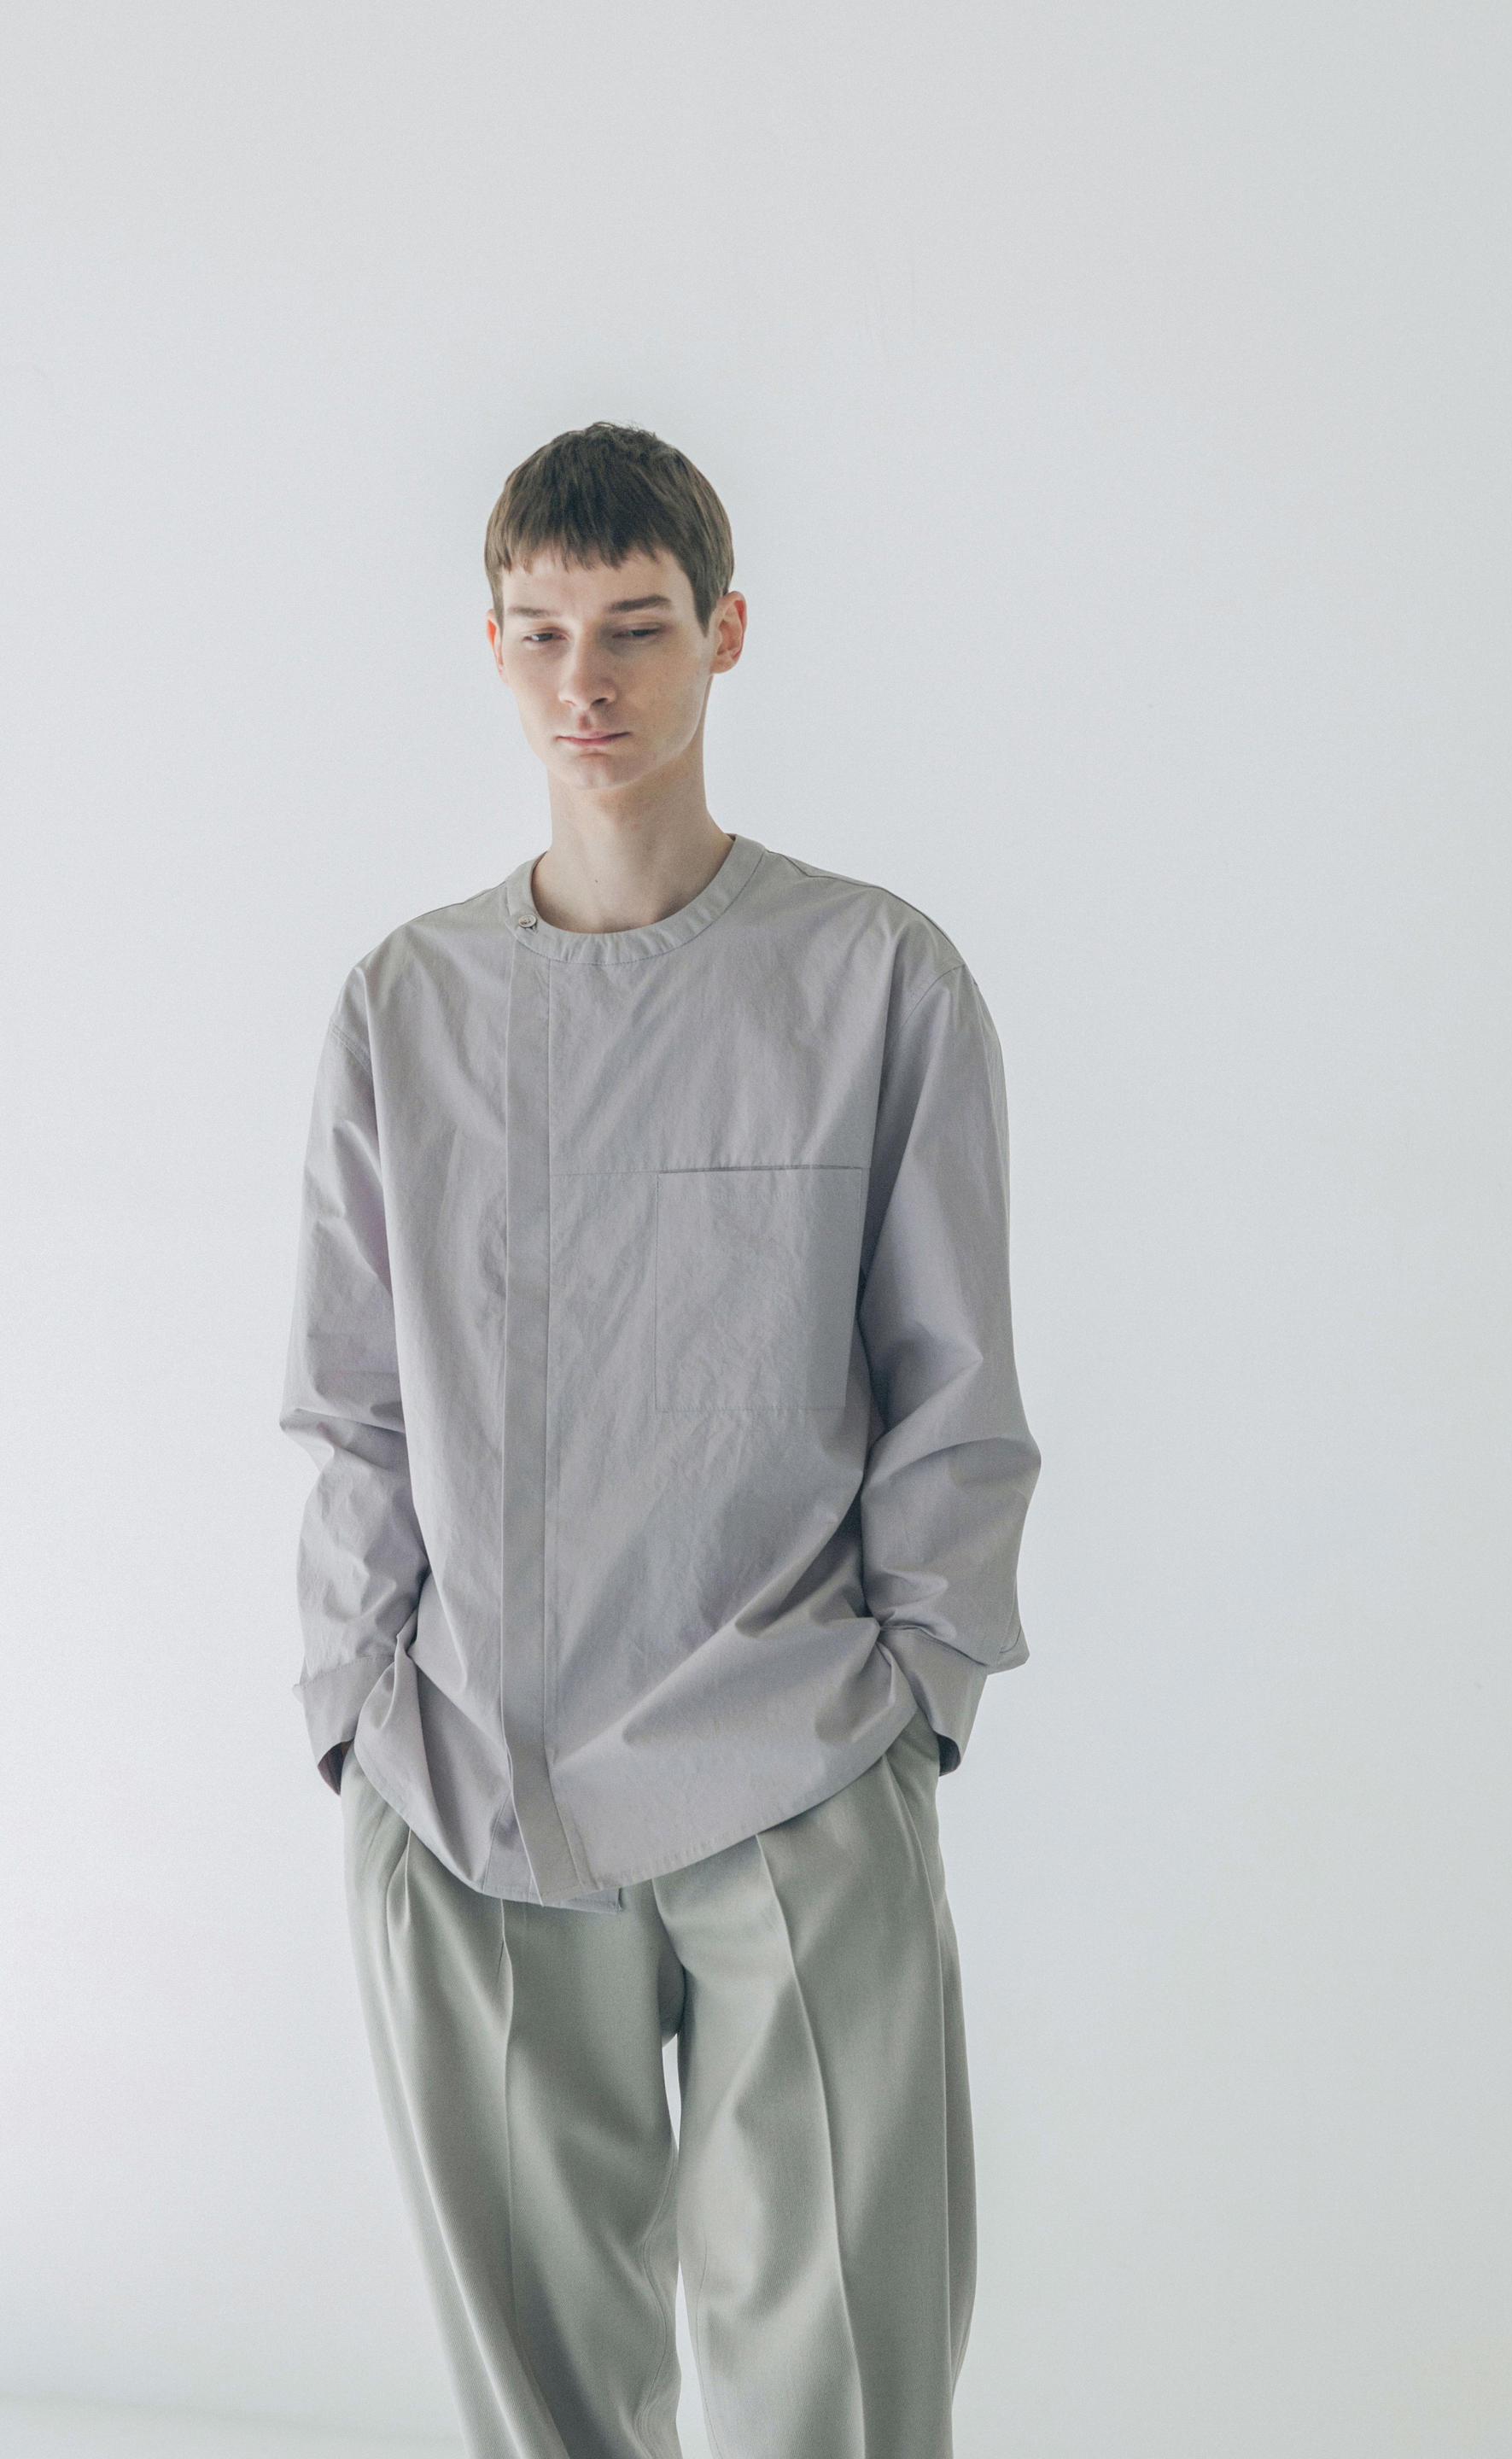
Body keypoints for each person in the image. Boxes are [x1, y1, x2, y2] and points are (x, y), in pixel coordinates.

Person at [279, 420, 1041, 2459]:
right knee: (545, 2418)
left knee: (841, 2395)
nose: (586, 685)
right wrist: (357, 1709)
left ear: (725, 633)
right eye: (541, 635)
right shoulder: (406, 1005)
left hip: (794, 1759)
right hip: (471, 1784)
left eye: (633, 628)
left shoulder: (872, 979)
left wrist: (913, 1705)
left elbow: (955, 1381)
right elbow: (352, 1402)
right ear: (493, 648)